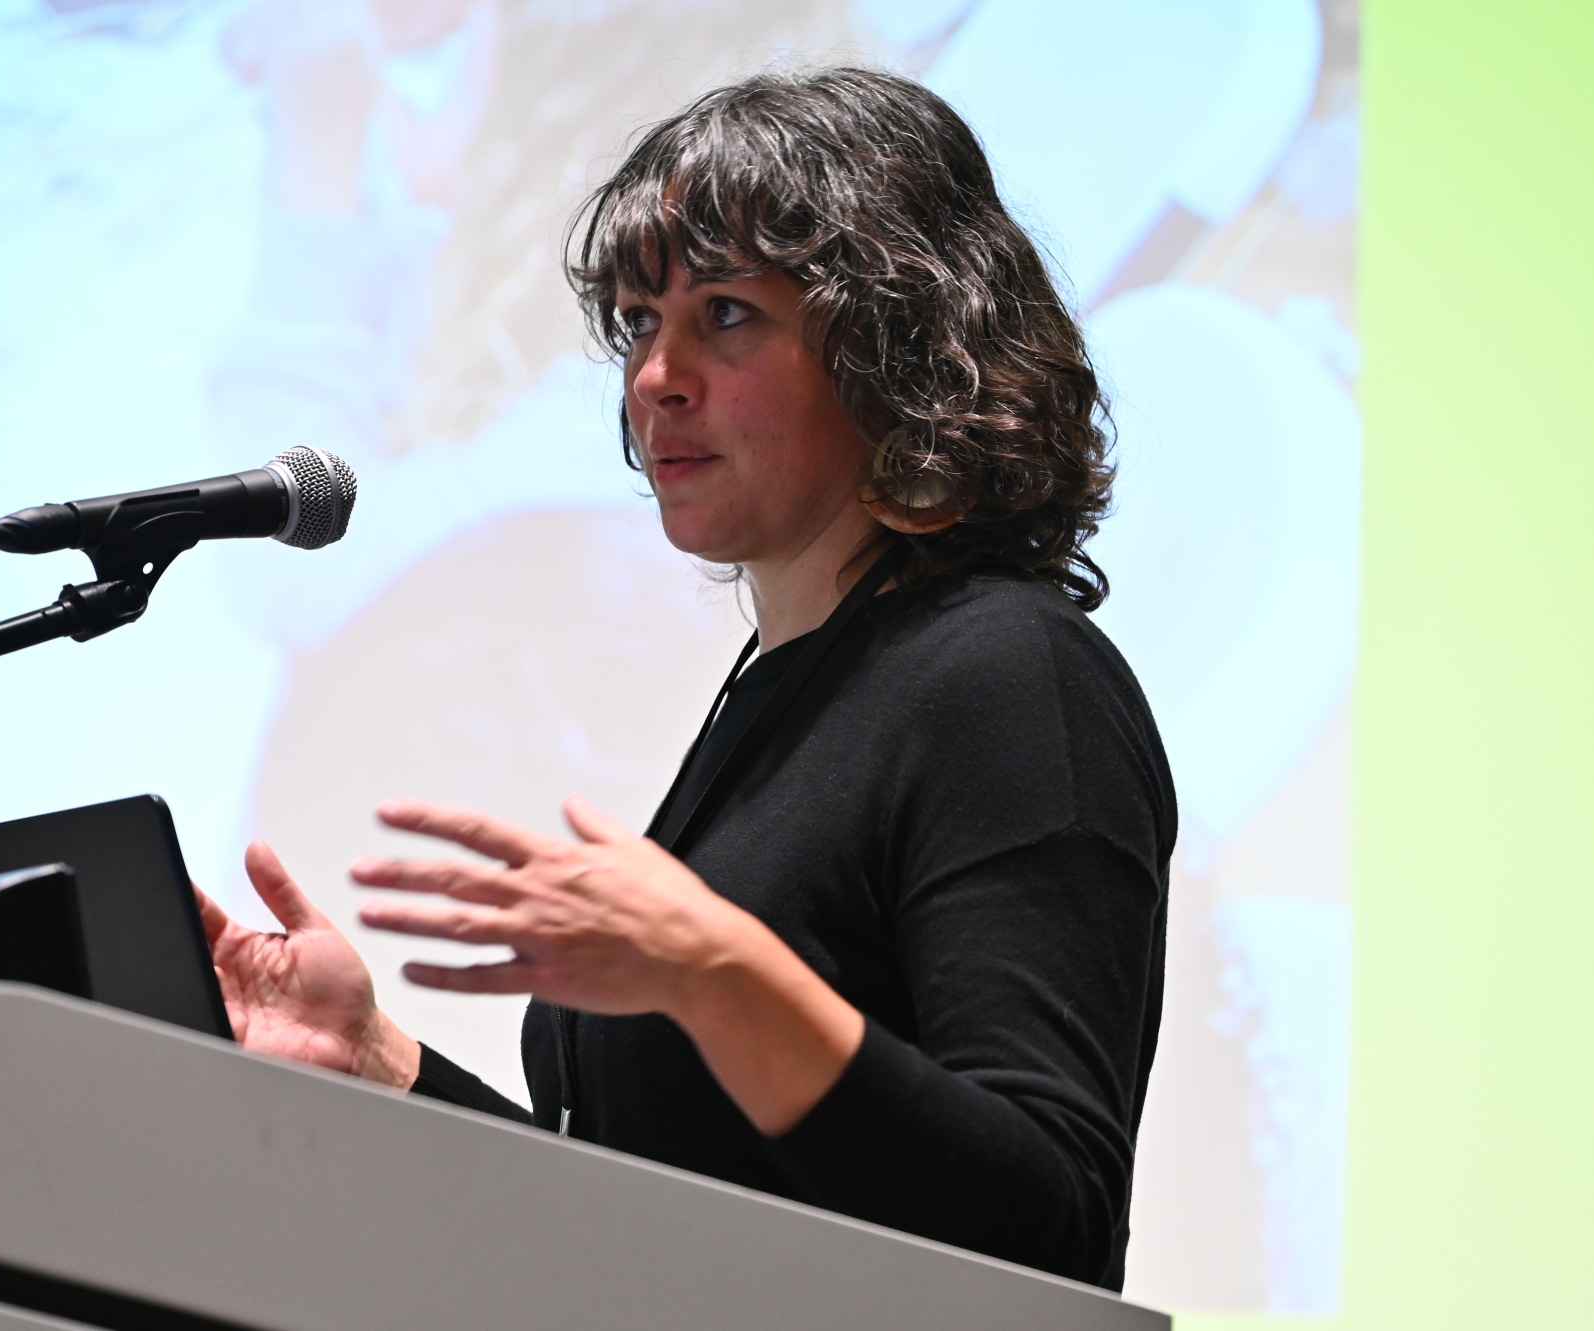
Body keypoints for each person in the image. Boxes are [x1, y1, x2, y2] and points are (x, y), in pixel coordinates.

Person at [194, 67, 1176, 1291]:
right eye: (635, 323)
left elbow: (1051, 1232)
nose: (655, 373)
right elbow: (641, 1215)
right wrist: (379, 1061)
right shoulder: (775, 695)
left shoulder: (1007, 675)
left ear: (898, 346)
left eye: (724, 314)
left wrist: (716, 974)